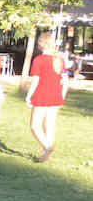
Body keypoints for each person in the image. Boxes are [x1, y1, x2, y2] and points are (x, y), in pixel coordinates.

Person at [25, 31, 68, 163]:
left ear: (41, 44)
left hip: (42, 95)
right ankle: (46, 155)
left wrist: (28, 96)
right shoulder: (59, 60)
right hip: (56, 96)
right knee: (49, 126)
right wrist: (62, 96)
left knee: (34, 126)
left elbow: (35, 81)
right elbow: (65, 81)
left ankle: (47, 148)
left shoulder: (39, 60)